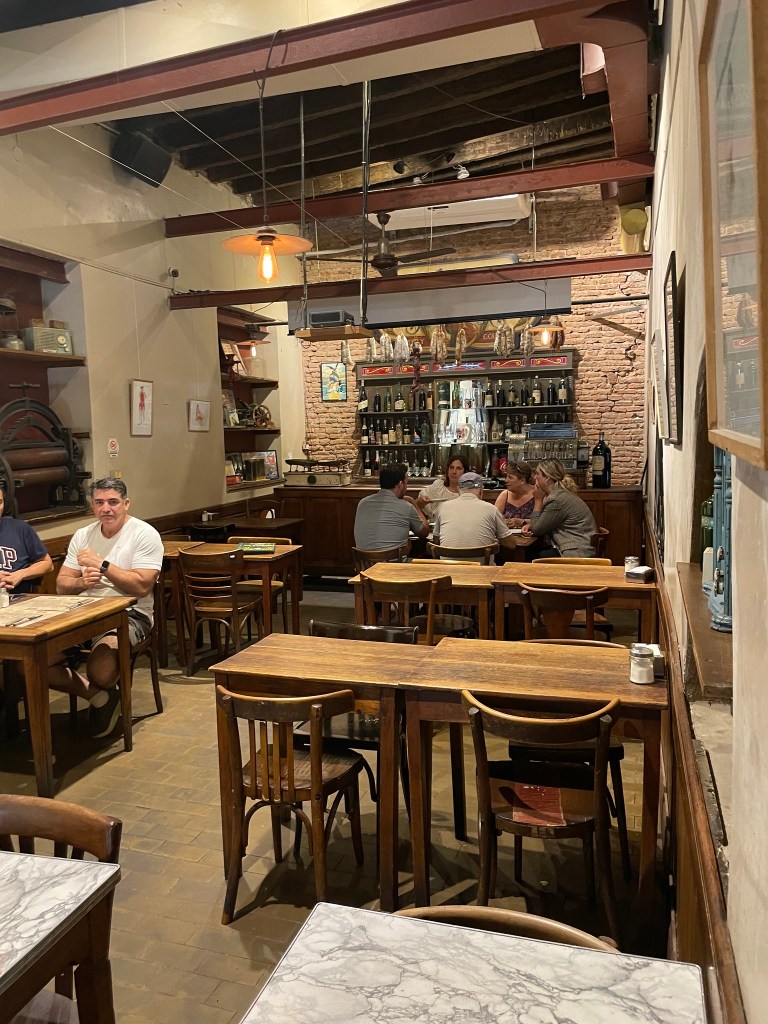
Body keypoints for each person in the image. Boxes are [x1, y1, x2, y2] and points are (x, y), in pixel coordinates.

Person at [50, 476, 163, 738]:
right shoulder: (83, 535)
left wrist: (103, 565)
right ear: (93, 506)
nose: (106, 508)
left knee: (101, 669)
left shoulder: (144, 534)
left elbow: (142, 586)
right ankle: (101, 698)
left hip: (131, 613)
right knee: (33, 663)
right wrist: (79, 582)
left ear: (126, 504)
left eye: (113, 502)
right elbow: (61, 585)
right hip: (83, 610)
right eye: (99, 502)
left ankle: (103, 688)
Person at [522, 459, 597, 558]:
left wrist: (538, 500)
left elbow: (537, 530)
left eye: (537, 474)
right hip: (579, 548)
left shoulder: (556, 500)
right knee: (533, 553)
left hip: (576, 552)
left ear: (547, 478)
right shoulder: (560, 494)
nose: (535, 477)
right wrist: (530, 524)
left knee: (530, 557)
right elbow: (543, 523)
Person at [433, 472, 516, 560]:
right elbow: (511, 544)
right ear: (481, 490)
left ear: (458, 489)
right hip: (482, 571)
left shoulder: (443, 507)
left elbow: (436, 539)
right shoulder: (492, 509)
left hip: (448, 571)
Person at [354, 463, 429, 551]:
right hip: (394, 564)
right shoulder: (406, 507)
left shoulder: (363, 503)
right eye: (406, 482)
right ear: (401, 484)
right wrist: (413, 502)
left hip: (365, 563)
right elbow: (425, 532)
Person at [0, 484, 54, 594]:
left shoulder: (20, 529)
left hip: (18, 599)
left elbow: (47, 564)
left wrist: (20, 574)